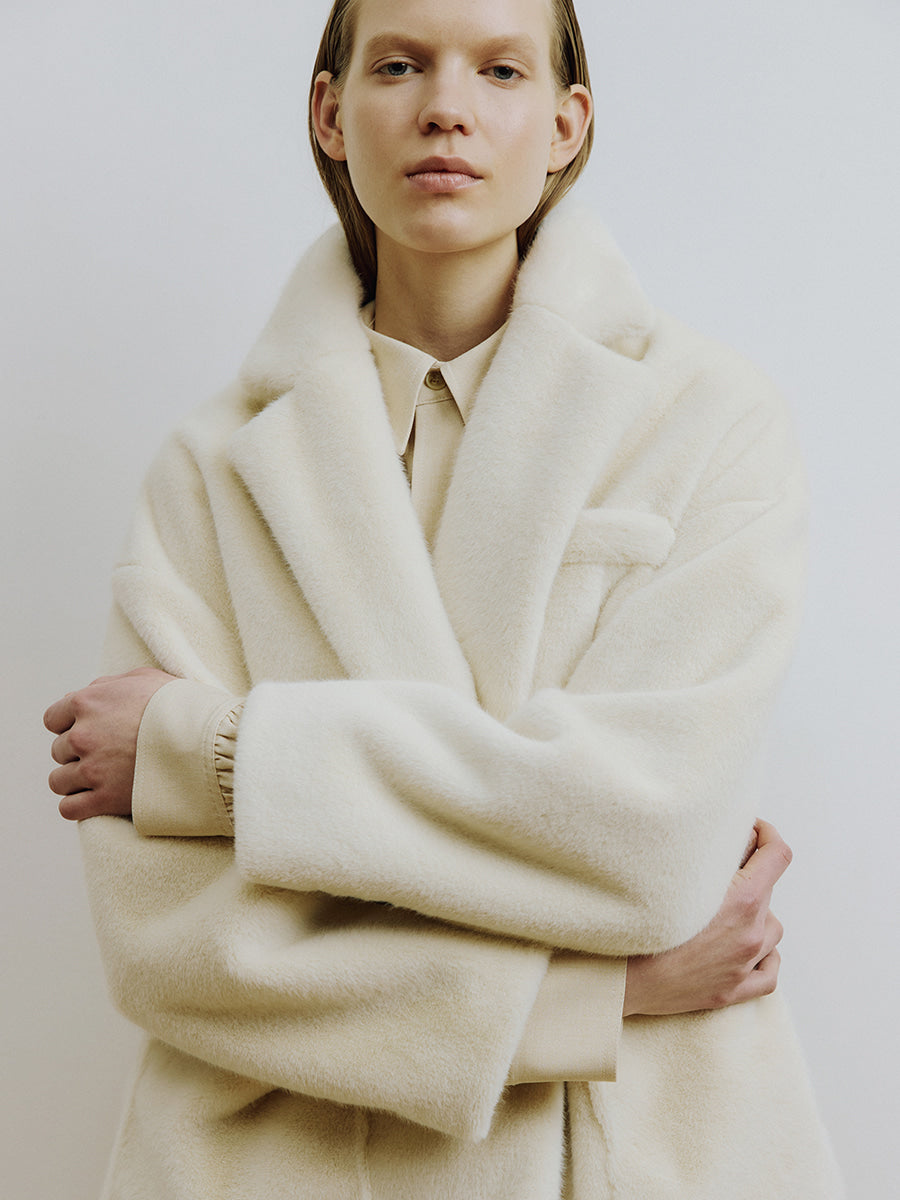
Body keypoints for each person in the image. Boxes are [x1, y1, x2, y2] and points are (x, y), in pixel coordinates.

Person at [43, 0, 843, 1196]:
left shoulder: (707, 425)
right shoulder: (208, 471)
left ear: (568, 123)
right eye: (400, 65)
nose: (446, 109)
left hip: (632, 1149)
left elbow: (650, 839)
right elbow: (174, 945)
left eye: (502, 71)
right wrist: (595, 997)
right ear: (331, 112)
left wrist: (224, 759)